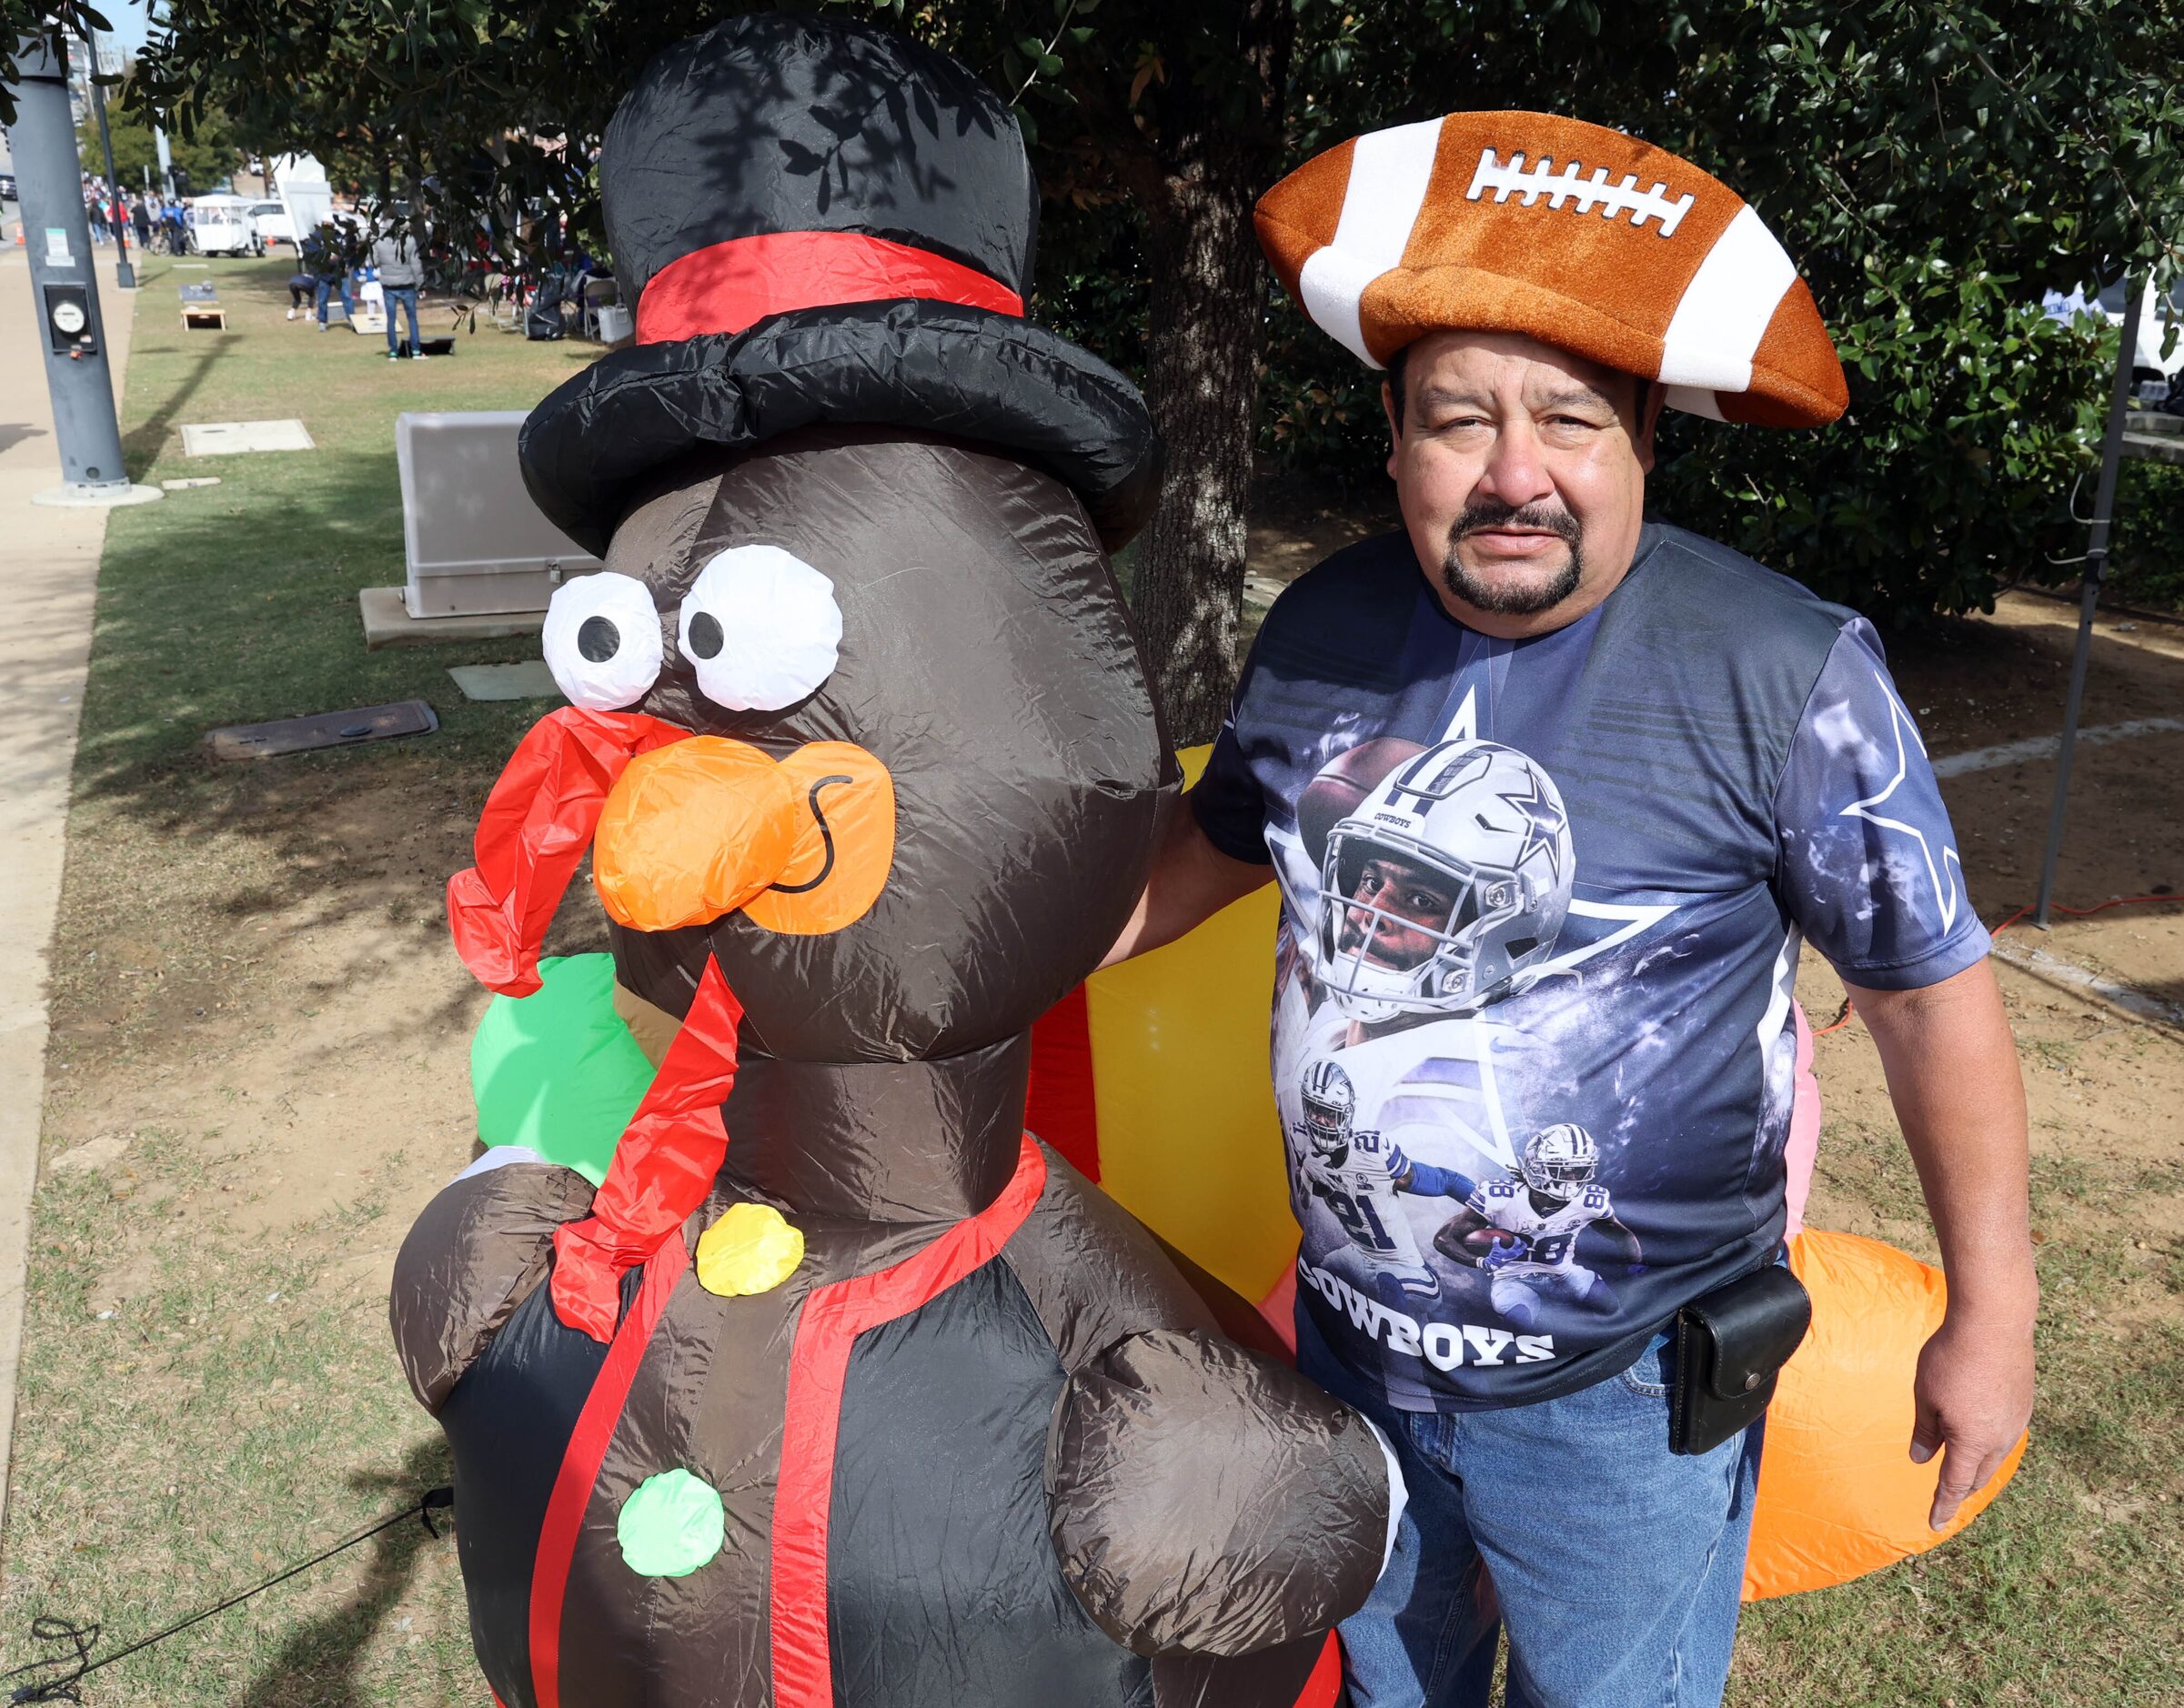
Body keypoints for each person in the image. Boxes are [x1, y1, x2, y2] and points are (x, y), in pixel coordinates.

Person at [1102, 112, 2037, 1708]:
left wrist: (1993, 1313)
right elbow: (1205, 855)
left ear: (1644, 443)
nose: (1514, 470)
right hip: (1352, 1354)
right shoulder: (1322, 627)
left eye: (1569, 419)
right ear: (1393, 440)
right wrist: (976, 957)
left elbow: (1928, 996)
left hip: (1626, 1402)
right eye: (1458, 419)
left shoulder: (1785, 672)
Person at [369, 219, 426, 358]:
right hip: (407, 284)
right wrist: (420, 284)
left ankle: (393, 351)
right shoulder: (410, 240)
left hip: (388, 286)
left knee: (391, 319)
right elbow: (416, 264)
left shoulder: (379, 241)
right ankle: (416, 351)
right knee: (412, 318)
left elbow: (373, 262)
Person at [302, 219, 354, 330]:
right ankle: (322, 321)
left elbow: (346, 251)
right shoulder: (315, 238)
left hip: (339, 273)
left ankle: (352, 320)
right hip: (323, 274)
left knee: (347, 297)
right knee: (322, 299)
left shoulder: (339, 235)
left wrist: (345, 263)